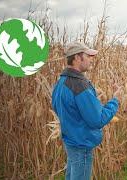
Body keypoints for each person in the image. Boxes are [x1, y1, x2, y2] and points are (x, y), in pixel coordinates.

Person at [52, 41, 122, 180]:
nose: (91, 59)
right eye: (88, 55)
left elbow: (66, 109)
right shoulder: (79, 85)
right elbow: (97, 120)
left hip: (71, 142)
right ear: (77, 57)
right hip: (81, 145)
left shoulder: (61, 82)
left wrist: (94, 104)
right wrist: (115, 100)